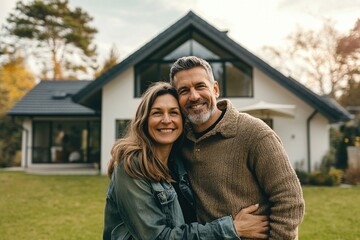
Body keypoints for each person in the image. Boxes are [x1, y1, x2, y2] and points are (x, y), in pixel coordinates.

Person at [103, 82, 269, 240]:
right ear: (144, 120)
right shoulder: (131, 167)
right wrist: (231, 228)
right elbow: (157, 237)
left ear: (183, 121)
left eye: (174, 113)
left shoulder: (179, 163)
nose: (166, 120)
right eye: (157, 113)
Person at [169, 56, 305, 240]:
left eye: (200, 86)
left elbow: (290, 200)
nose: (194, 96)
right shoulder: (178, 139)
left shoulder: (254, 133)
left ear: (215, 89)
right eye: (184, 90)